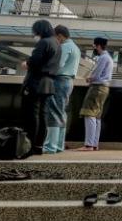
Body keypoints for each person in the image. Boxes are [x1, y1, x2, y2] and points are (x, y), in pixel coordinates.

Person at [20, 20, 61, 155]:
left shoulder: (43, 42)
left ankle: (28, 146)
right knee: (42, 115)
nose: (34, 33)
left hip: (36, 82)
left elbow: (35, 61)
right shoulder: (57, 43)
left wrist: (27, 63)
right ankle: (38, 146)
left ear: (39, 30)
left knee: (31, 115)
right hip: (49, 84)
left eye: (35, 31)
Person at [43, 25, 80, 153]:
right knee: (61, 112)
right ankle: (59, 145)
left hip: (59, 80)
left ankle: (50, 146)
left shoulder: (64, 47)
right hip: (69, 81)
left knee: (53, 112)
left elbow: (58, 65)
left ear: (59, 35)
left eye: (55, 37)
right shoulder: (75, 47)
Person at [78, 37, 112, 151]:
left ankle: (88, 144)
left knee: (89, 114)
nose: (94, 48)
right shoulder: (109, 58)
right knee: (97, 116)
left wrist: (89, 79)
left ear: (98, 46)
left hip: (97, 87)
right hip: (105, 88)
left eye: (94, 46)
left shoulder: (103, 58)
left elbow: (96, 75)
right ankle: (94, 144)